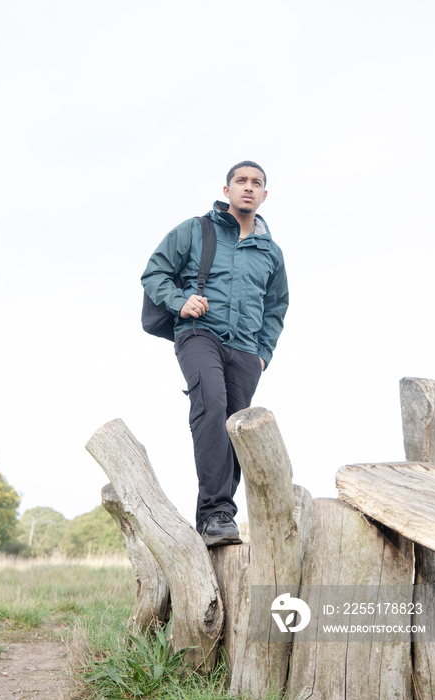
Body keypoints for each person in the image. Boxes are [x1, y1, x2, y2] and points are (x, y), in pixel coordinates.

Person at [141, 161, 289, 547]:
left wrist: (262, 355)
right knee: (210, 402)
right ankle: (215, 515)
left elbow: (276, 308)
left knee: (237, 427)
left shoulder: (271, 253)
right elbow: (153, 273)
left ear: (264, 195)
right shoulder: (196, 229)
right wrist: (180, 300)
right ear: (227, 190)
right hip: (198, 333)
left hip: (245, 350)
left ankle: (218, 517)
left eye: (256, 183)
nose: (248, 187)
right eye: (241, 181)